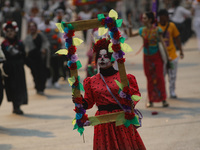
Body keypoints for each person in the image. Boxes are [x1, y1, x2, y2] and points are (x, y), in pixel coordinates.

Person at [73, 38, 146, 149]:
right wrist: (80, 101)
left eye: (105, 56)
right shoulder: (91, 81)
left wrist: (129, 101)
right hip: (103, 122)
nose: (102, 59)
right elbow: (89, 102)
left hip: (121, 120)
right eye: (99, 56)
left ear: (112, 58)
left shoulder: (124, 77)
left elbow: (134, 96)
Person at [129, 12, 169, 107]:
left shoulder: (157, 30)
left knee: (159, 77)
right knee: (149, 78)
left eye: (145, 18)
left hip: (157, 56)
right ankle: (150, 100)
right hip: (146, 58)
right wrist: (130, 23)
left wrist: (168, 58)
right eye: (143, 18)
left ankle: (163, 99)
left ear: (150, 20)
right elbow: (130, 35)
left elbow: (162, 43)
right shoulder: (142, 30)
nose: (143, 20)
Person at [1, 21, 28, 115]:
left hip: (18, 68)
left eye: (11, 30)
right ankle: (15, 106)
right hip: (9, 69)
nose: (10, 33)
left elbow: (24, 55)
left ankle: (18, 105)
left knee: (19, 87)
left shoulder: (20, 43)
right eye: (7, 31)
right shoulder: (4, 44)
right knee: (11, 87)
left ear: (15, 31)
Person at [158, 9, 184, 99]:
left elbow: (177, 38)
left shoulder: (172, 26)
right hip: (161, 56)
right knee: (162, 76)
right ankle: (163, 93)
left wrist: (181, 51)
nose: (164, 19)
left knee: (172, 76)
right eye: (161, 17)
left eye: (165, 17)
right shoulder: (156, 27)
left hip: (172, 55)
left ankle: (172, 91)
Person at [24, 21, 50, 95]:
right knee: (35, 74)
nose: (32, 28)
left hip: (41, 58)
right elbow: (25, 47)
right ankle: (37, 87)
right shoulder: (27, 37)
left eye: (33, 26)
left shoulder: (40, 35)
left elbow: (46, 42)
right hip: (32, 59)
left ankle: (41, 88)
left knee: (42, 74)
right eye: (30, 26)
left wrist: (44, 49)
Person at [38, 11, 63, 88]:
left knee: (56, 65)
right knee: (47, 65)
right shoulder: (40, 27)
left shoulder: (54, 26)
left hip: (54, 48)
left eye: (48, 17)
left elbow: (60, 35)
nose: (47, 19)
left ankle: (55, 80)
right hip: (45, 50)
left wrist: (61, 44)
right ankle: (49, 78)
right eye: (45, 17)